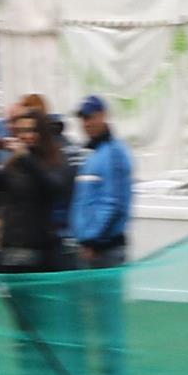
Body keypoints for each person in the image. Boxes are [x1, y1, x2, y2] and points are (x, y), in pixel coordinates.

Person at [0, 110, 75, 271]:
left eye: (31, 130)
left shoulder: (55, 160)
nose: (25, 136)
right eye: (21, 131)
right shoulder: (12, 163)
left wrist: (27, 159)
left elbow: (55, 188)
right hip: (11, 248)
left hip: (40, 249)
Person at [67, 95, 133, 268]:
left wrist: (93, 241)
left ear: (103, 116)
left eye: (90, 117)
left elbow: (112, 202)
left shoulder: (114, 153)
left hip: (104, 250)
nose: (86, 123)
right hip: (89, 247)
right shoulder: (92, 154)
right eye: (83, 118)